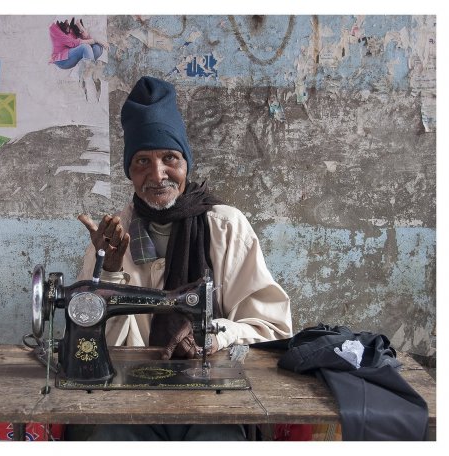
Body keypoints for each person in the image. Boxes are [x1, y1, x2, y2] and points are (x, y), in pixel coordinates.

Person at [76, 76, 293, 440]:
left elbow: (271, 328)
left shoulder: (225, 227)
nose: (157, 174)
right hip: (133, 399)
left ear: (186, 163)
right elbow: (91, 345)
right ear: (129, 171)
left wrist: (216, 334)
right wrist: (109, 273)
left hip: (216, 400)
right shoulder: (113, 237)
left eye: (169, 158)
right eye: (142, 161)